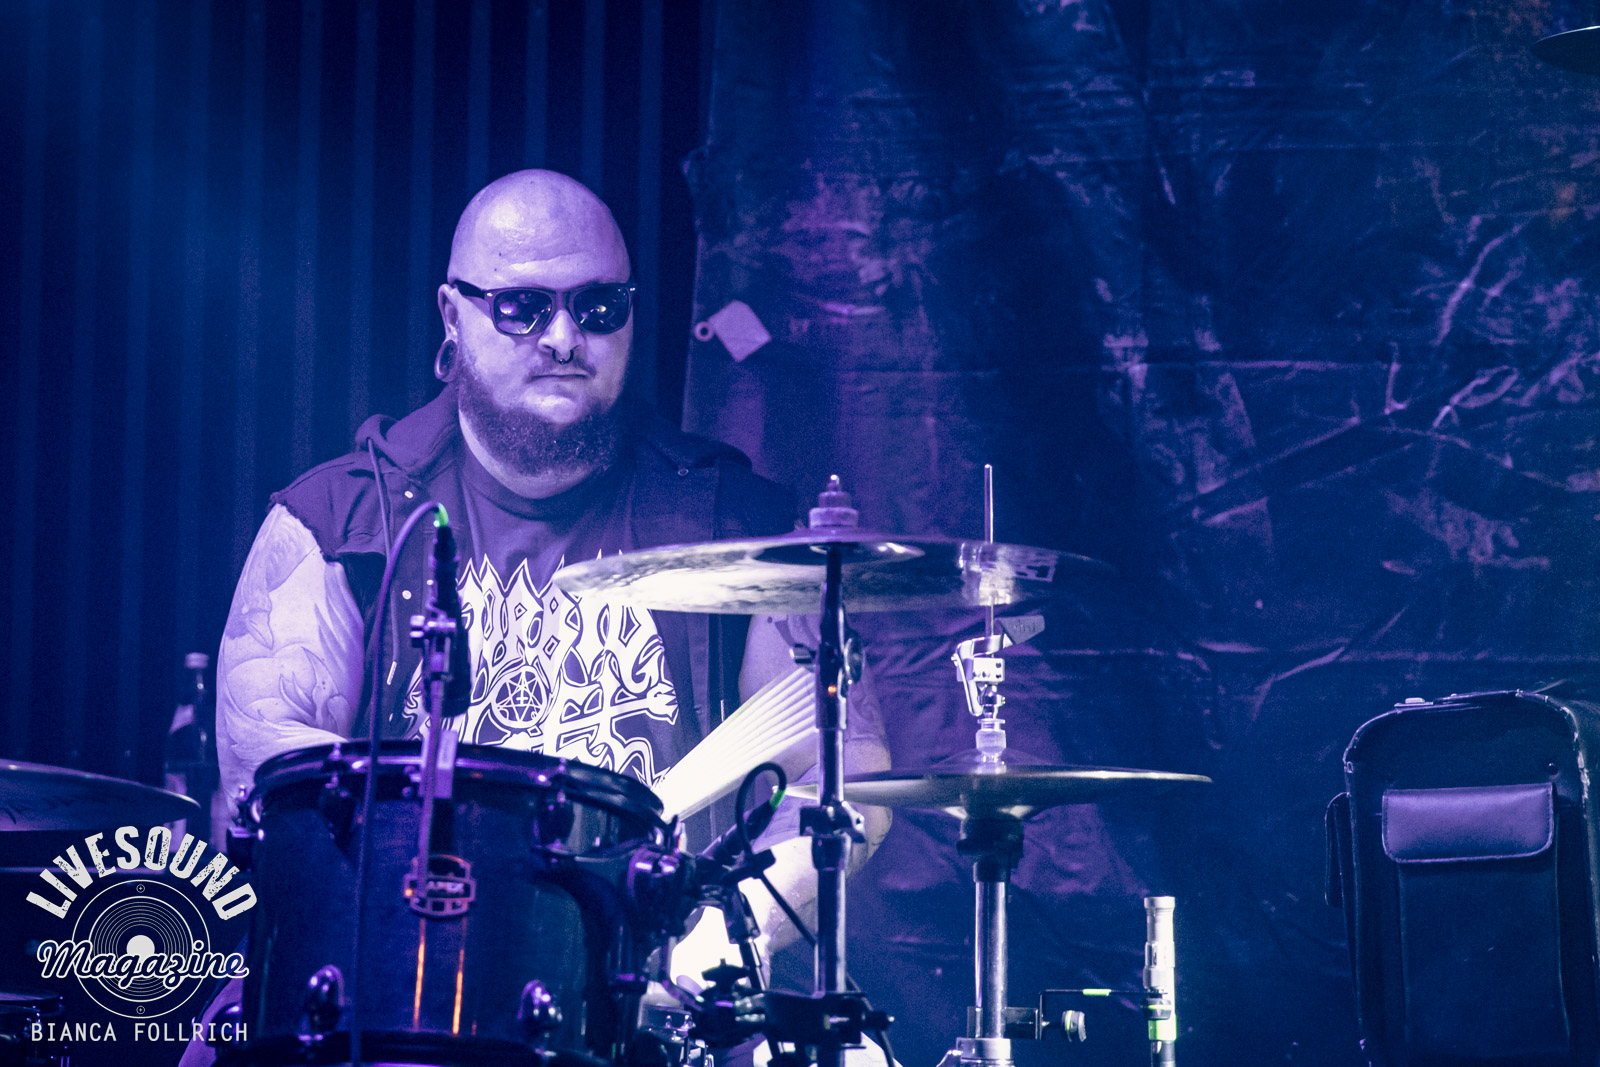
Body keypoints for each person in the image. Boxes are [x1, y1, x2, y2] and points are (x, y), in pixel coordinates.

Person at [209, 169, 891, 1016]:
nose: (565, 337)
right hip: (406, 995)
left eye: (599, 307)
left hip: (654, 1004)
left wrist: (706, 953)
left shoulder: (733, 522)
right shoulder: (338, 521)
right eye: (522, 307)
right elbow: (268, 775)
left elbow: (847, 777)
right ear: (452, 315)